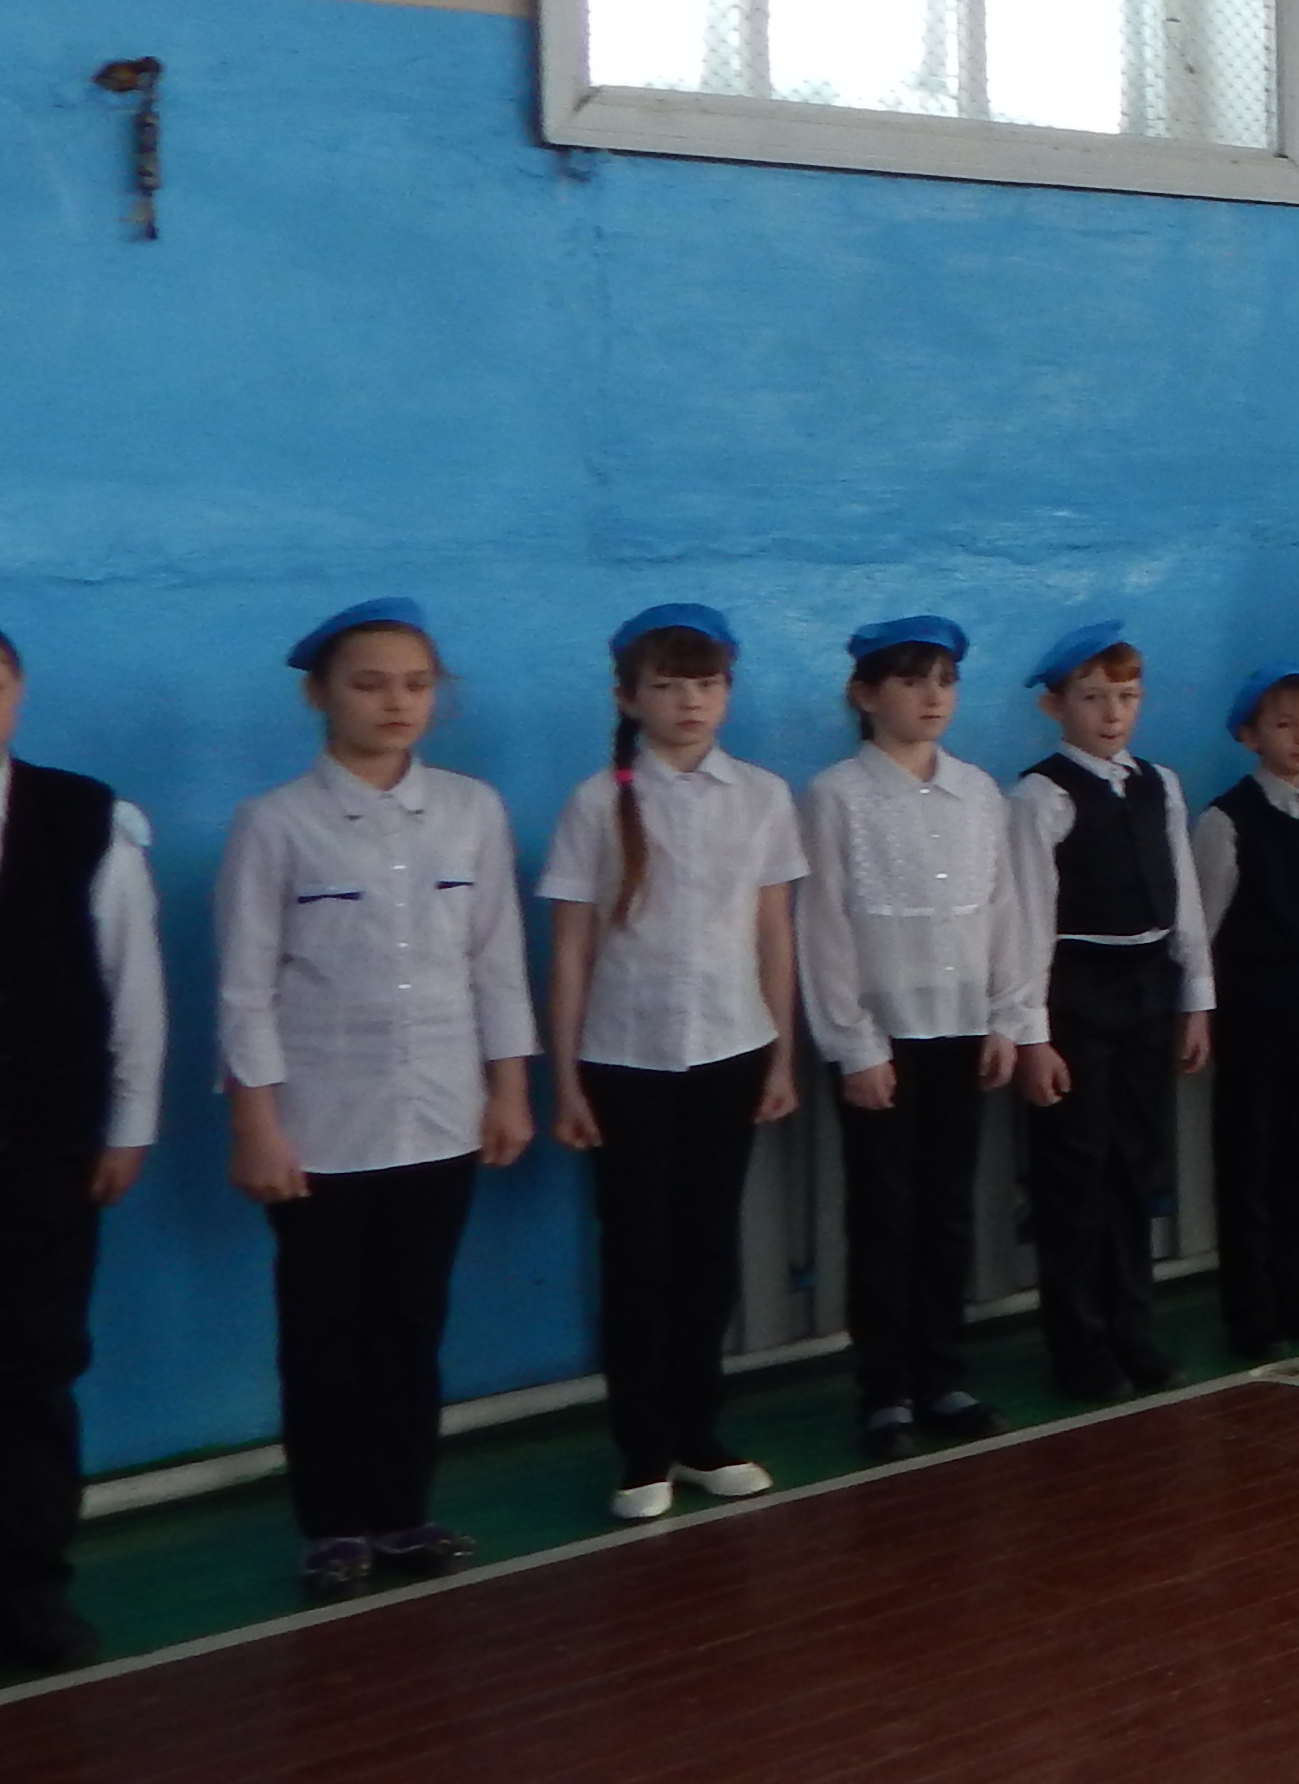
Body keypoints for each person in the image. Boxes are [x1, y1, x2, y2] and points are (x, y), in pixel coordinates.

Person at [217, 601, 533, 1603]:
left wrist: (509, 1088)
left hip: (441, 1111)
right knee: (322, 1335)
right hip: (321, 1125)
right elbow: (244, 986)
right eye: (368, 684)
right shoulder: (275, 823)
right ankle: (332, 1526)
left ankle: (403, 1512)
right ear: (319, 696)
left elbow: (496, 961)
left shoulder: (472, 810)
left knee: (409, 1323)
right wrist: (256, 1122)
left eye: (415, 684)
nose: (395, 703)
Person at [539, 604, 799, 1523]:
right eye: (668, 685)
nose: (691, 702)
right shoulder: (596, 802)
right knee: (637, 1255)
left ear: (727, 693)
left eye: (708, 684)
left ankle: (699, 1434)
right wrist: (567, 1079)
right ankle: (641, 1450)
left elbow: (774, 934)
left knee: (707, 1248)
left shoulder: (762, 795)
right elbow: (571, 950)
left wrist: (781, 1057)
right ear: (628, 698)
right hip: (625, 1060)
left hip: (731, 1048)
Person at [799, 617, 1032, 1461]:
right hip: (884, 1041)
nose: (932, 697)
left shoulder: (978, 792)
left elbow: (1003, 911)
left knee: (947, 1212)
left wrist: (1007, 1017)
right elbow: (823, 926)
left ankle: (942, 1376)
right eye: (910, 681)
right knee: (884, 1217)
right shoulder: (836, 795)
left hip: (962, 1031)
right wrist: (854, 1044)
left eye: (945, 681)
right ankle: (885, 1391)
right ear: (865, 696)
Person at [0, 628, 166, 1678]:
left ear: (16, 690)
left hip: (45, 1148)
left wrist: (128, 1124)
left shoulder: (83, 818)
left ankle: (29, 1597)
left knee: (33, 1371)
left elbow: (131, 981)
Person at [1008, 624, 1214, 1400]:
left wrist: (1196, 999)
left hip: (1148, 989)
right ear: (1055, 706)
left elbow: (1182, 899)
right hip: (1077, 995)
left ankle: (1131, 1328)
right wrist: (1033, 1034)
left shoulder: (1159, 784)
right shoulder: (1040, 797)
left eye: (1126, 697)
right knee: (1075, 1173)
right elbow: (1028, 922)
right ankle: (1079, 1343)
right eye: (1093, 698)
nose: (1112, 713)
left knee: (1136, 1166)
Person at [1192, 668, 1299, 1352]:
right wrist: (1202, 1009)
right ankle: (1250, 1307)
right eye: (1284, 724)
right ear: (1250, 736)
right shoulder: (1226, 819)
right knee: (1250, 1157)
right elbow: (1204, 923)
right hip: (1252, 1008)